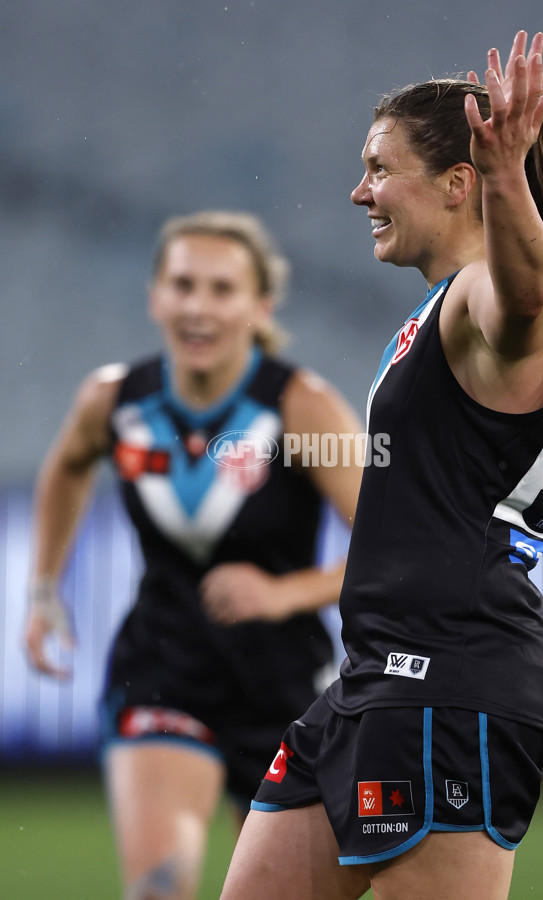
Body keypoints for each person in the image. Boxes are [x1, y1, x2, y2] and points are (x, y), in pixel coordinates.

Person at [219, 30, 543, 900]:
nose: (359, 192)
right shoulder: (434, 313)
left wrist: (508, 177)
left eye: (380, 168)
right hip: (375, 675)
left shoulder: (487, 302)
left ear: (460, 183)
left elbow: (528, 299)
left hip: (451, 676)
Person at [24, 209, 364, 900]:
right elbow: (65, 468)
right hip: (164, 666)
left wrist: (284, 593)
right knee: (158, 889)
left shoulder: (302, 408)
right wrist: (41, 591)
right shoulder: (115, 401)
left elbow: (392, 545)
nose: (198, 307)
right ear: (154, 297)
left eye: (221, 288)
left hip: (286, 687)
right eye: (182, 285)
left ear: (259, 306)